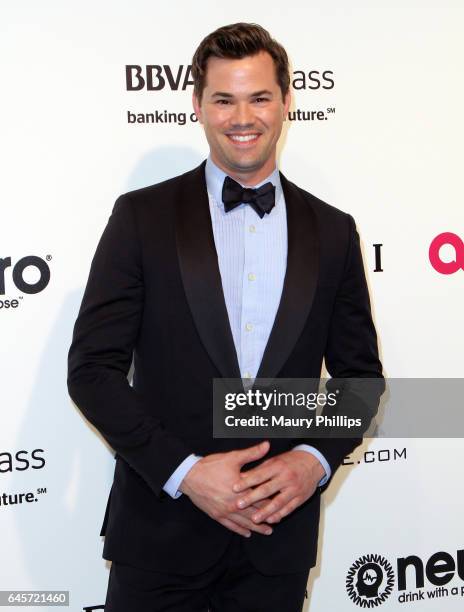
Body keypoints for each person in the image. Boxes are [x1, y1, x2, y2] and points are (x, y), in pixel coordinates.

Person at [67, 22, 383, 612]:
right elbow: (92, 370)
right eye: (224, 99)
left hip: (274, 546)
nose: (244, 116)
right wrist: (184, 472)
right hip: (159, 538)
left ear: (287, 101)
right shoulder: (141, 216)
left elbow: (360, 379)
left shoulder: (333, 231)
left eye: (260, 96)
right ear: (198, 106)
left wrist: (311, 461)